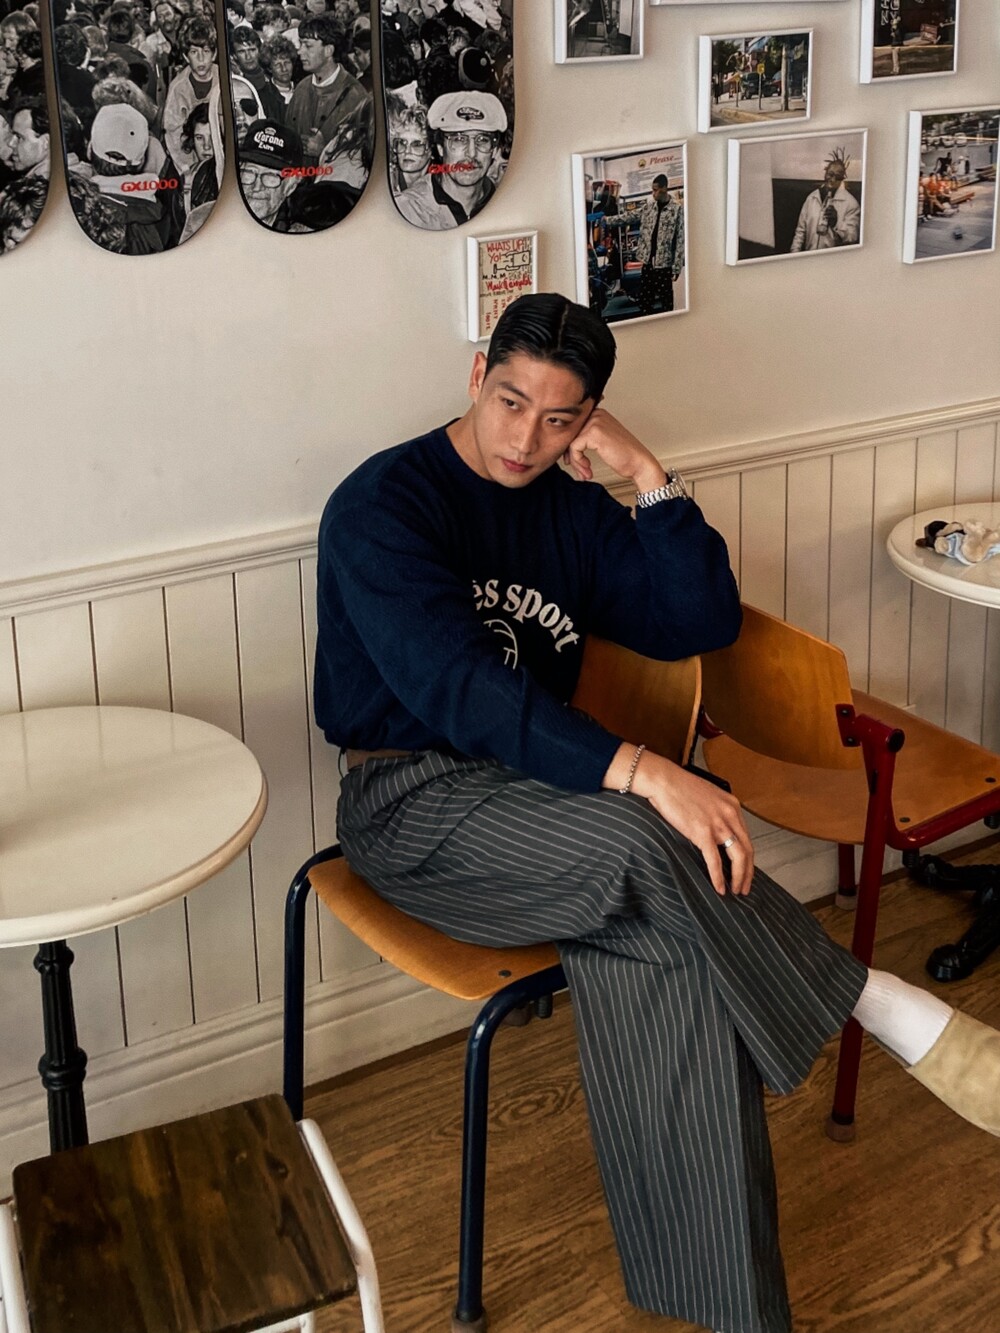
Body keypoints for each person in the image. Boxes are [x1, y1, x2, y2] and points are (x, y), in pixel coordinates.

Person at [314, 291, 1000, 1333]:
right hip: (411, 799)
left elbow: (697, 618)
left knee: (663, 941)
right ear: (476, 376)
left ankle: (733, 1310)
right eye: (510, 402)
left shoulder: (569, 506)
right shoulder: (383, 506)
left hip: (552, 801)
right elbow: (460, 690)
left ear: (587, 418)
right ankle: (880, 1003)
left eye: (559, 419)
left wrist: (649, 480)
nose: (524, 439)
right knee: (654, 828)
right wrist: (642, 770)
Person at [393, 87, 504, 229]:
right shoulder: (409, 211)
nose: (471, 153)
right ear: (440, 148)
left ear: (494, 151)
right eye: (459, 140)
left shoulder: (505, 205)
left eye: (482, 140)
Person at [286, 14, 366, 165]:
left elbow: (363, 157)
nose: (300, 51)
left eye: (308, 46)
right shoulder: (301, 88)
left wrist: (325, 151)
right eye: (300, 44)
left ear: (329, 50)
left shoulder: (356, 96)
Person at [790, 147, 860, 253]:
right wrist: (794, 255)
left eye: (838, 177)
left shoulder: (851, 204)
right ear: (825, 172)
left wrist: (836, 223)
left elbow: (852, 237)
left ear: (842, 179)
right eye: (830, 174)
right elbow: (800, 231)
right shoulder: (811, 198)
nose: (833, 180)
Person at [632, 172, 684, 317]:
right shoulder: (649, 207)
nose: (653, 193)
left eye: (655, 190)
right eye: (652, 190)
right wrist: (608, 220)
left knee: (666, 303)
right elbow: (631, 216)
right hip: (648, 262)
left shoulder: (676, 210)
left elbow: (680, 239)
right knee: (645, 302)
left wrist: (677, 267)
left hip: (664, 265)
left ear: (665, 188)